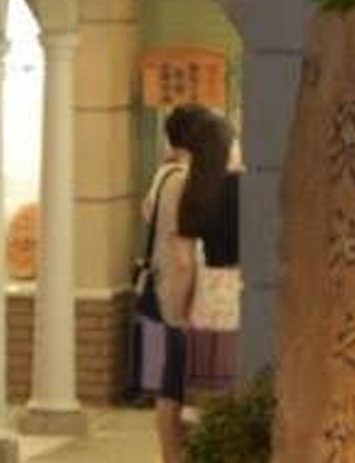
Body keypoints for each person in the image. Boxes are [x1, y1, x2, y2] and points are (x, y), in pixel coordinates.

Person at [128, 104, 238, 463]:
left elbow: (151, 218)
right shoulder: (183, 181)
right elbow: (181, 256)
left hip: (156, 292)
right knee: (176, 389)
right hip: (174, 297)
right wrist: (180, 309)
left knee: (167, 388)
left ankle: (169, 457)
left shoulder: (163, 176)